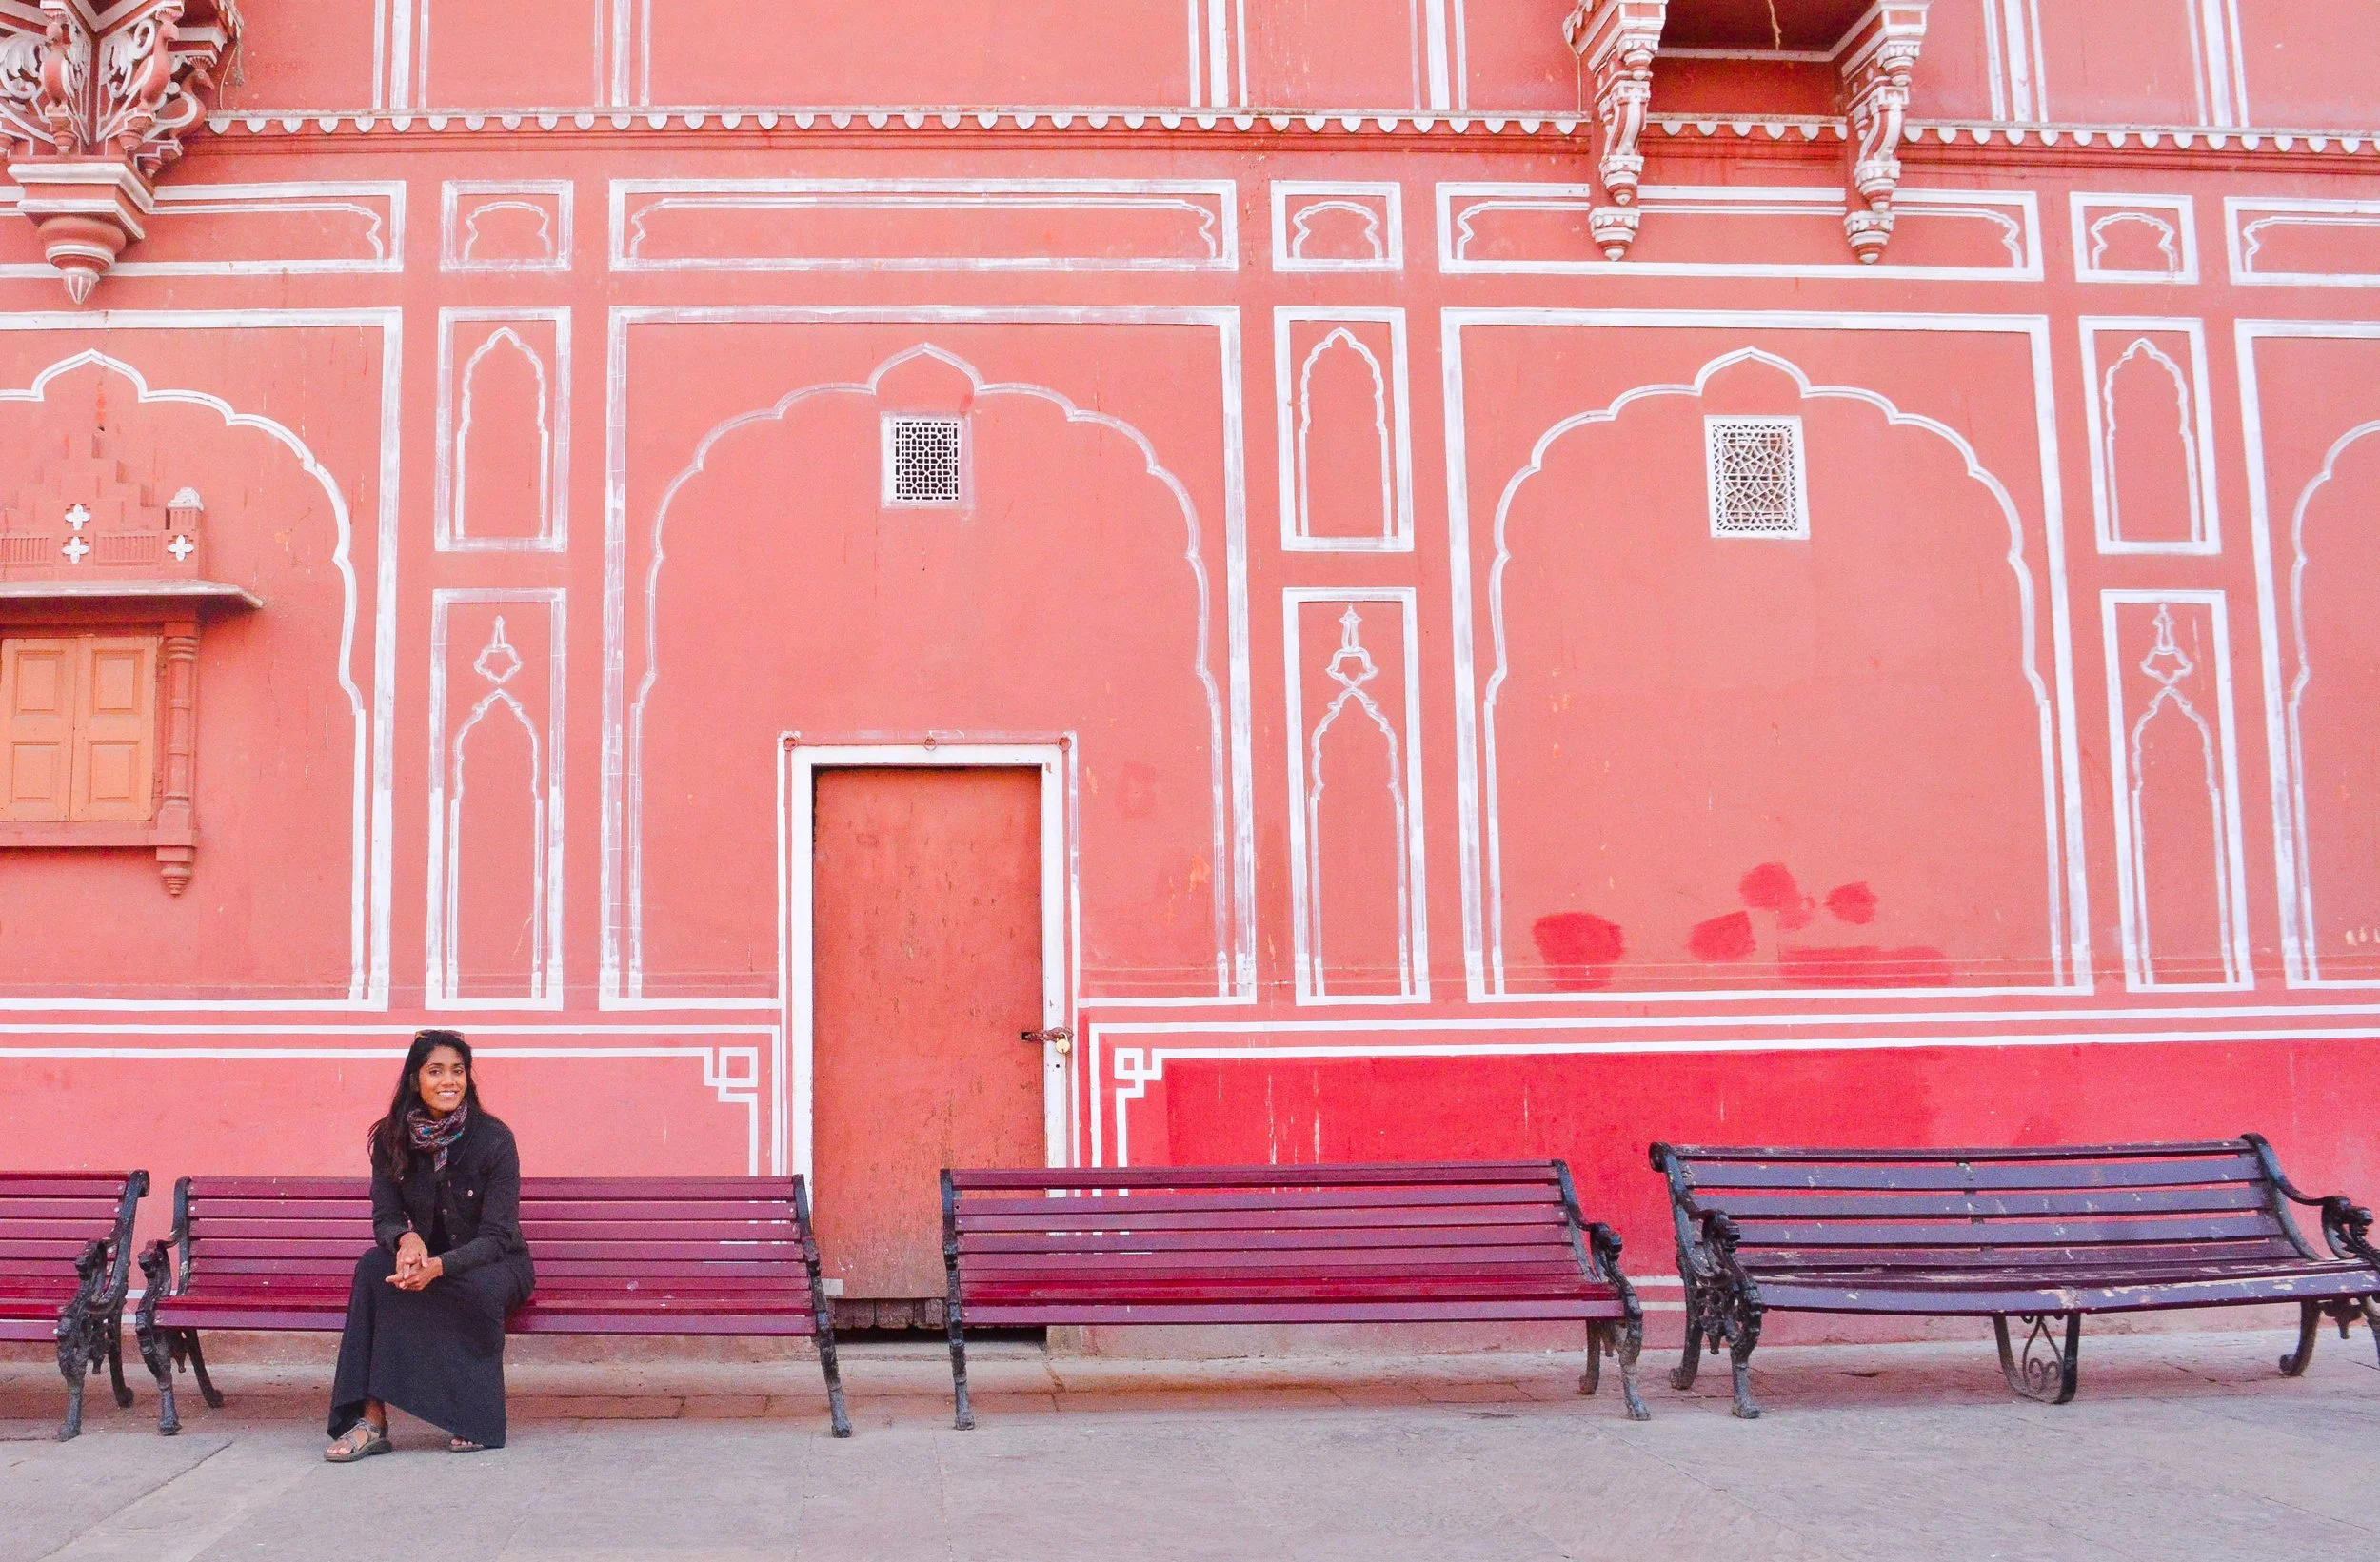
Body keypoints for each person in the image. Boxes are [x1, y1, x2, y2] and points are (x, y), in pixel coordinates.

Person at [325, 1029, 535, 1459]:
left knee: (477, 1288)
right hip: (429, 1260)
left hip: (494, 1265)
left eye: (458, 1071)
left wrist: (439, 1267)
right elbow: (385, 1216)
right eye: (435, 1071)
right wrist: (406, 1239)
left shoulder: (494, 1139)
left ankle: (474, 1417)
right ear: (414, 1079)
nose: (449, 1081)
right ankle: (370, 1420)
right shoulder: (391, 1138)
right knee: (372, 1269)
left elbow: (497, 1237)